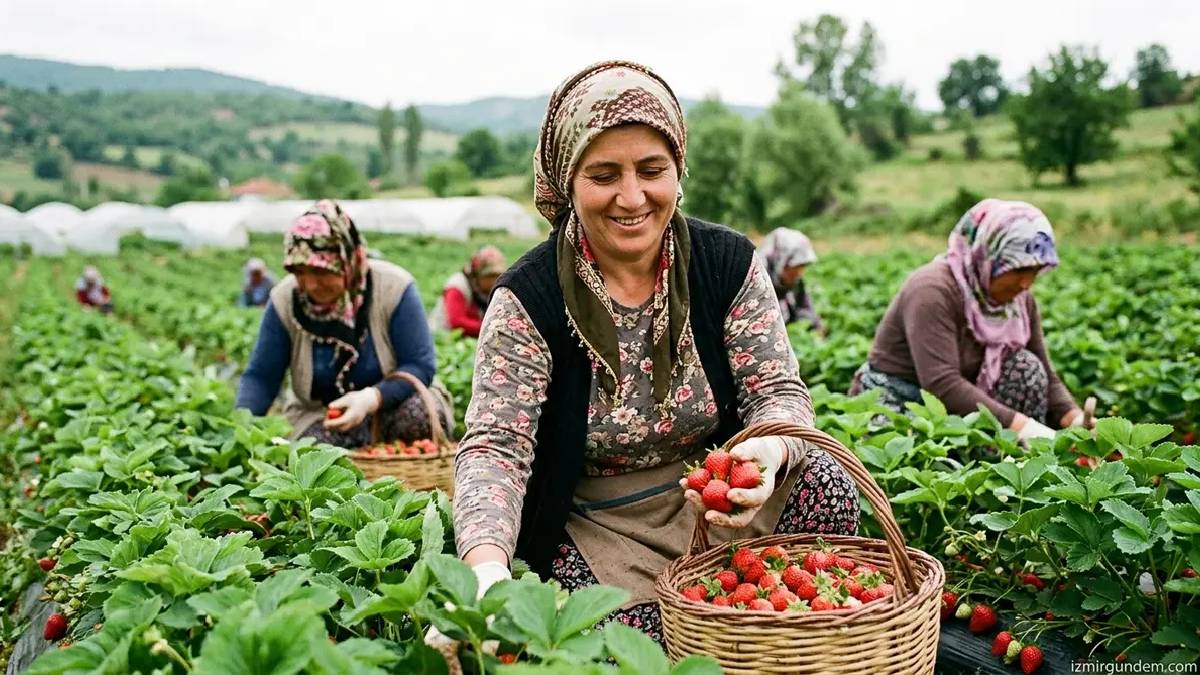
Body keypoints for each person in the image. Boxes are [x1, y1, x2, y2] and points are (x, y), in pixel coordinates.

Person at [447, 61, 859, 644]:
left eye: (651, 170)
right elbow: (497, 448)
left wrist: (767, 452)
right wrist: (486, 573)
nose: (631, 196)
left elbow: (777, 391)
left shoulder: (726, 264)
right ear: (568, 181)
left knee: (825, 481)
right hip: (600, 521)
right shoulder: (530, 298)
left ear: (678, 170)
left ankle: (776, 633)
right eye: (603, 174)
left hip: (720, 494)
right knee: (618, 640)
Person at [849, 198, 1091, 441]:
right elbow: (941, 383)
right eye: (1018, 270)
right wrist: (1027, 430)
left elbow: (1047, 375)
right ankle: (994, 452)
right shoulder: (932, 290)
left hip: (965, 403)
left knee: (1027, 368)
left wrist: (1077, 421)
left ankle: (1006, 457)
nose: (1026, 283)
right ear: (988, 257)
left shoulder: (1019, 302)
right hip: (902, 400)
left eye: (1035, 271)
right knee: (915, 449)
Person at [235, 199, 452, 446]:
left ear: (347, 261)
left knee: (420, 417)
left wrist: (372, 398)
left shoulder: (394, 288)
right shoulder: (284, 300)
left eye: (321, 271)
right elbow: (261, 376)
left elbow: (419, 365)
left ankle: (400, 464)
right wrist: (243, 432)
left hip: (391, 404)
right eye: (299, 272)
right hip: (322, 416)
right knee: (317, 451)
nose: (310, 284)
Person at [427, 246, 507, 338]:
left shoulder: (488, 289)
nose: (494, 280)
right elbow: (457, 322)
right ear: (477, 274)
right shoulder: (457, 286)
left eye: (498, 275)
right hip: (442, 337)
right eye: (490, 276)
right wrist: (491, 327)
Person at [759, 227, 825, 335]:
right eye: (796, 266)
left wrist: (815, 329)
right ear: (781, 261)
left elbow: (806, 310)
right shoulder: (758, 288)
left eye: (802, 266)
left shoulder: (795, 284)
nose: (799, 272)